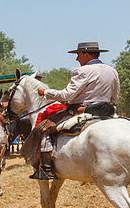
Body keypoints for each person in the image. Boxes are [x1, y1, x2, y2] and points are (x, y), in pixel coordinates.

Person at [29, 41, 120, 180]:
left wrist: (45, 92)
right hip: (107, 111)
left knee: (43, 128)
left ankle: (46, 168)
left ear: (87, 55)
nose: (77, 59)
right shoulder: (112, 70)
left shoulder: (82, 71)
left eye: (78, 55)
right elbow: (115, 98)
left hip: (81, 111)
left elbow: (67, 95)